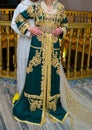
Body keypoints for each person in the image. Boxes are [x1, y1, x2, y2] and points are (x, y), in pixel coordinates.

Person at [12, 0, 92, 129]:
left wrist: (61, 29)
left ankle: (51, 105)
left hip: (53, 47)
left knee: (53, 75)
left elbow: (65, 24)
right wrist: (29, 28)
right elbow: (19, 18)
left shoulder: (60, 8)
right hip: (37, 45)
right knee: (35, 75)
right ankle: (34, 106)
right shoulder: (36, 7)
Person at [11, 0, 39, 97]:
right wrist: (29, 32)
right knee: (24, 67)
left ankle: (37, 95)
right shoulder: (21, 6)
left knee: (38, 69)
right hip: (25, 42)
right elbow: (14, 24)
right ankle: (23, 94)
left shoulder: (43, 5)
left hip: (40, 43)